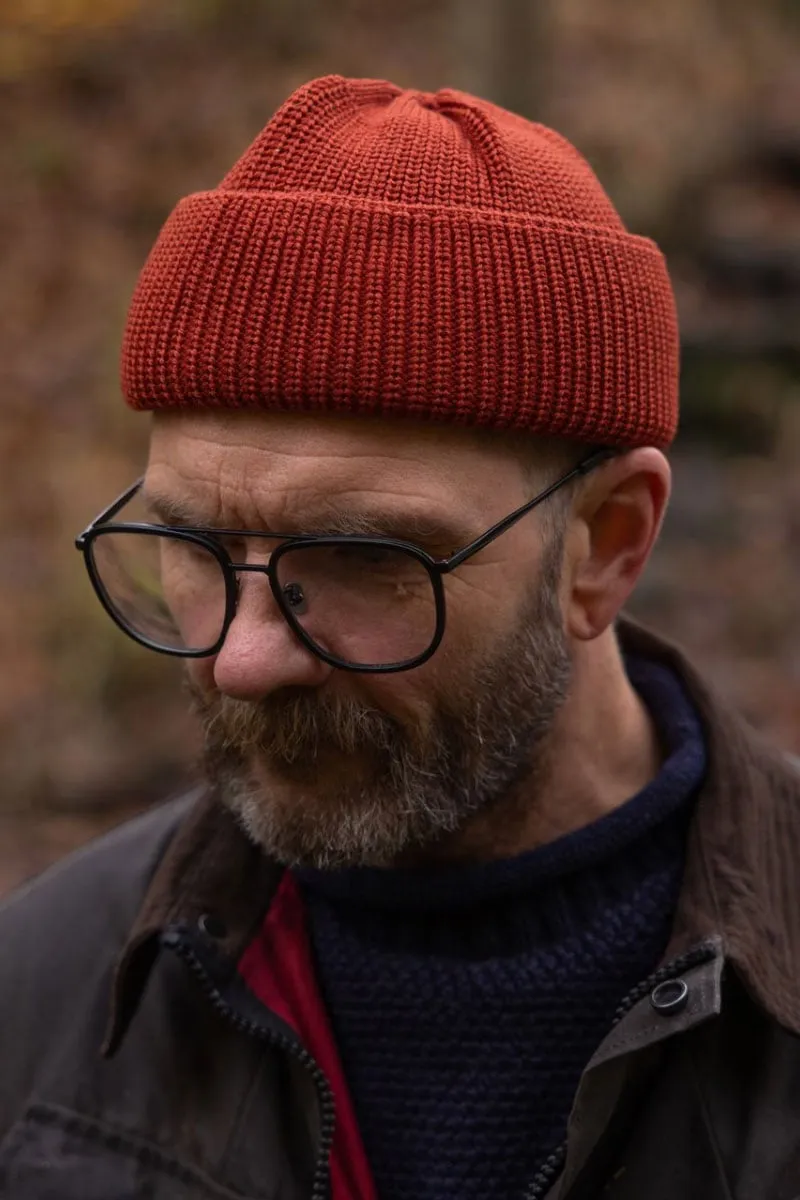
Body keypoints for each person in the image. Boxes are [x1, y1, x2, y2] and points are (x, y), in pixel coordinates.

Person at [1, 74, 798, 1200]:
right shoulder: (37, 1001)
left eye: (365, 560)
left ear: (606, 544)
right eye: (191, 546)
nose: (243, 658)